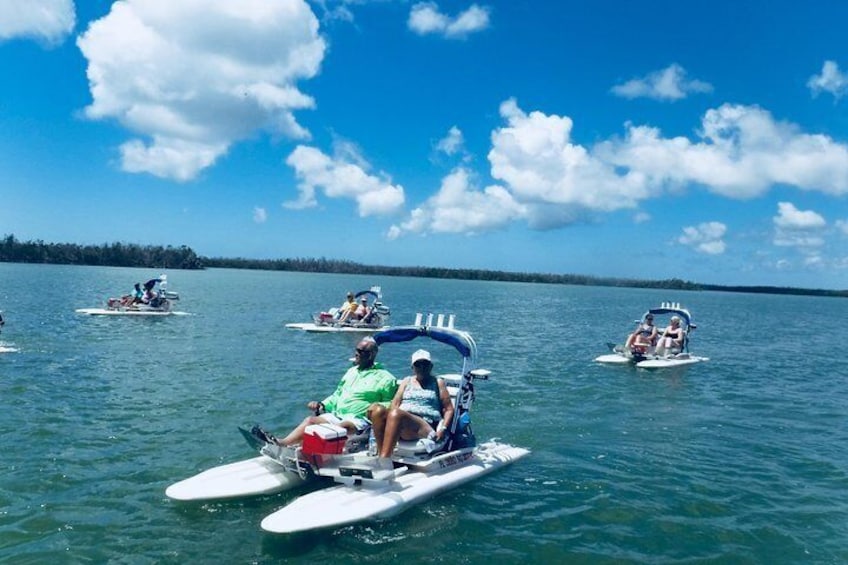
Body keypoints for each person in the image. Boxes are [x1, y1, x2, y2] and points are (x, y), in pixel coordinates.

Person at [270, 336, 398, 446]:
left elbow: (391, 404)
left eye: (360, 351)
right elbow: (338, 394)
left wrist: (374, 408)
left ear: (370, 355)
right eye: (356, 350)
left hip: (358, 421)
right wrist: (322, 404)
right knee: (311, 421)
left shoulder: (386, 378)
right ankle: (283, 443)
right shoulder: (352, 372)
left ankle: (312, 451)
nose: (356, 353)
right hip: (337, 415)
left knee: (341, 428)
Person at [369, 349, 454, 462]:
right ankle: (381, 454)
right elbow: (395, 404)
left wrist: (443, 428)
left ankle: (384, 462)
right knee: (377, 409)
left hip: (425, 425)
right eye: (418, 364)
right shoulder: (406, 381)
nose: (422, 367)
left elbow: (448, 409)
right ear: (412, 367)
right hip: (401, 421)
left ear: (431, 366)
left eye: (425, 364)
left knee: (397, 414)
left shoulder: (438, 383)